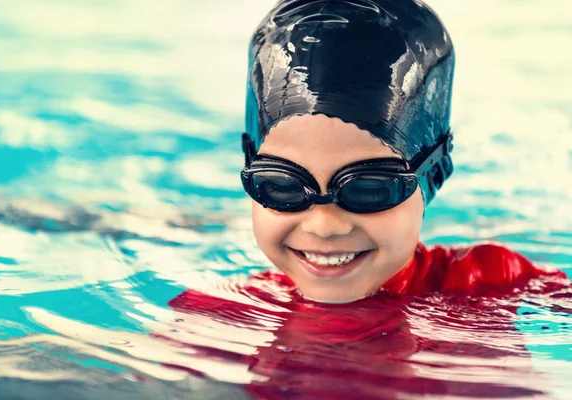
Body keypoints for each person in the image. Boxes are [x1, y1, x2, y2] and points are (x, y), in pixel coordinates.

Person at [161, 0, 570, 397]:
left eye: (370, 188)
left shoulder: (491, 280)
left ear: (435, 174)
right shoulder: (215, 317)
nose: (324, 224)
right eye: (282, 185)